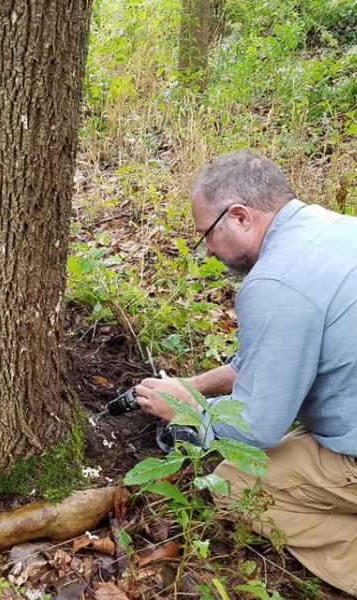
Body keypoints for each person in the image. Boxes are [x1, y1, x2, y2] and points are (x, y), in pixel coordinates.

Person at [133, 150, 357, 596]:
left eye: (207, 237)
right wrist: (196, 385)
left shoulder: (274, 283)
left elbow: (258, 425)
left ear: (239, 216)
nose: (210, 251)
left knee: (231, 483)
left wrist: (184, 408)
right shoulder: (332, 228)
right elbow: (264, 361)